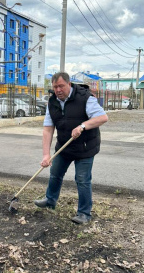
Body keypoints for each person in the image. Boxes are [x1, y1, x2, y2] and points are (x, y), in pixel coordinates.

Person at [34, 72, 108, 224]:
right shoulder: (52, 102)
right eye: (55, 87)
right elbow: (48, 129)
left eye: (61, 86)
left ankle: (84, 213)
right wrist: (46, 155)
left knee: (82, 179)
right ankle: (50, 201)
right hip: (64, 146)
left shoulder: (85, 98)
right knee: (55, 173)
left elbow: (102, 117)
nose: (58, 90)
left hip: (85, 147)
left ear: (69, 84)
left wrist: (82, 126)